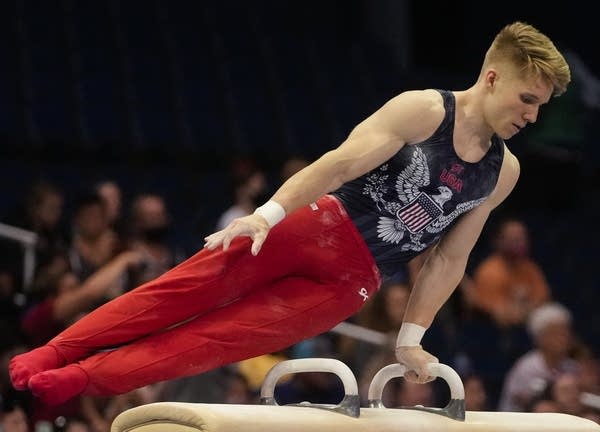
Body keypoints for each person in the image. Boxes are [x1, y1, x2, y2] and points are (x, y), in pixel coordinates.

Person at [8, 21, 571, 406]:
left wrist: (410, 336)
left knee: (212, 341)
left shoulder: (504, 172)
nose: (532, 115)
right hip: (313, 226)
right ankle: (51, 351)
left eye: (540, 107)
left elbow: (451, 257)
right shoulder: (424, 110)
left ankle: (75, 380)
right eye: (527, 98)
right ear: (493, 76)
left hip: (352, 283)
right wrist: (266, 215)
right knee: (174, 295)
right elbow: (336, 165)